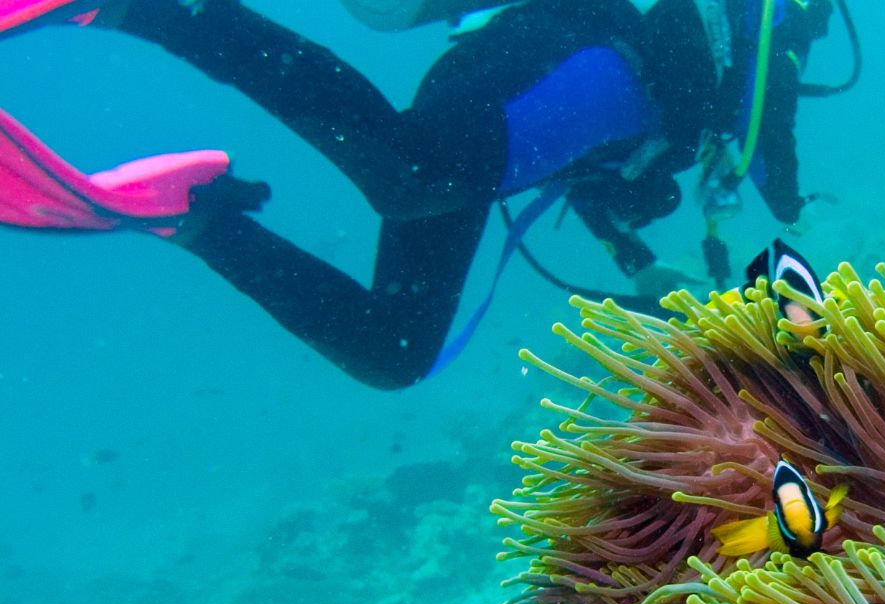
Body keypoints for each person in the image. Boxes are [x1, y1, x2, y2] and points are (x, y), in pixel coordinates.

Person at [0, 0, 840, 388]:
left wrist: (641, 258)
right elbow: (777, 174)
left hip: (520, 131)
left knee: (392, 353)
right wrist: (799, 211)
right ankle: (146, 10)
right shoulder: (774, 29)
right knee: (409, 176)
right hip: (553, 71)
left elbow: (607, 171)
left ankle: (198, 221)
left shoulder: (742, 70)